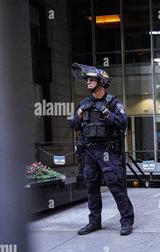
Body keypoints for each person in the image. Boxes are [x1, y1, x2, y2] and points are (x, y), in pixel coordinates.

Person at [69, 63, 134, 236]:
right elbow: (73, 125)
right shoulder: (84, 103)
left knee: (116, 186)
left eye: (91, 79)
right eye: (87, 80)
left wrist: (106, 112)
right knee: (91, 188)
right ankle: (94, 222)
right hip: (89, 152)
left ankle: (127, 221)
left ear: (101, 82)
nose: (88, 82)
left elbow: (122, 123)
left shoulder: (114, 102)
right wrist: (80, 112)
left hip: (107, 151)